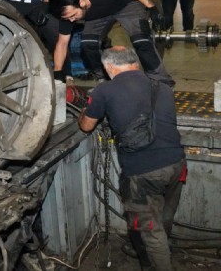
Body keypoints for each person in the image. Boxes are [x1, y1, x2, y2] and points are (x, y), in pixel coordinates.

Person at [78, 46, 186, 271]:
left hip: (143, 173)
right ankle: (155, 255)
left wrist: (86, 110)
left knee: (150, 230)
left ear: (109, 67)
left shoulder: (105, 90)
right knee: (164, 217)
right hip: (177, 164)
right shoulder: (163, 87)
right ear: (135, 62)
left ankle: (158, 262)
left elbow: (87, 126)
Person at [47, 0, 173, 86]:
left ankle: (161, 82)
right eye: (68, 18)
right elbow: (62, 43)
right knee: (88, 44)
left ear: (81, 2)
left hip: (127, 5)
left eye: (73, 15)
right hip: (97, 16)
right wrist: (57, 71)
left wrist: (152, 8)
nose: (71, 20)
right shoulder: (68, 16)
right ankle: (104, 79)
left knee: (141, 40)